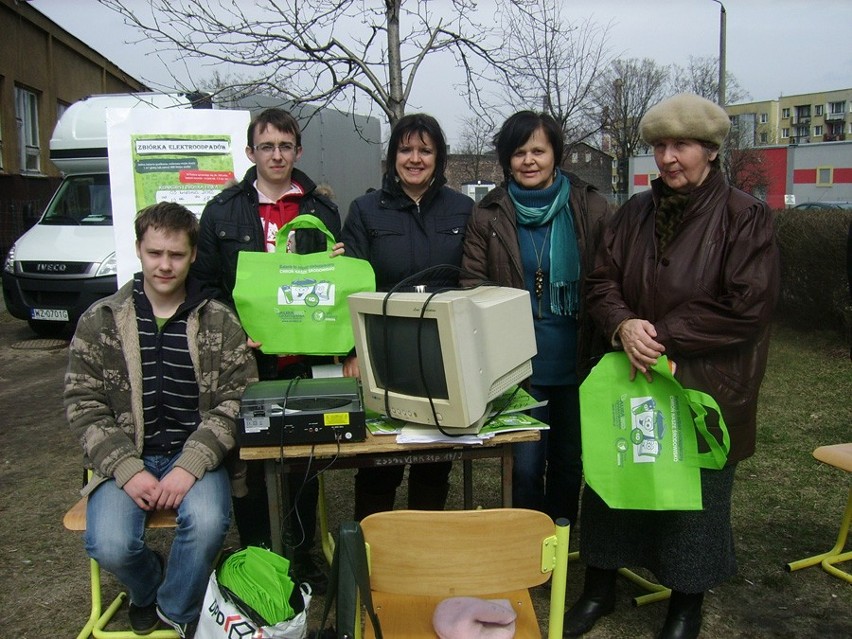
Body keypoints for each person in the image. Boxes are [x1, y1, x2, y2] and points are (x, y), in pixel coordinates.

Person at [564, 93, 780, 639]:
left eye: (680, 145)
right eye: (659, 146)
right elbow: (601, 281)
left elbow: (746, 305)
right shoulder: (634, 212)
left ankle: (686, 604)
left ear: (709, 151)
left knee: (695, 504)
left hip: (704, 385)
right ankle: (599, 587)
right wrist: (622, 324)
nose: (667, 158)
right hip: (632, 379)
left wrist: (659, 335)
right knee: (615, 486)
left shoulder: (744, 217)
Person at [64, 202, 257, 638]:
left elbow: (236, 400)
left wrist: (190, 466)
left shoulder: (220, 320)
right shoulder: (102, 321)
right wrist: (128, 471)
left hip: (197, 457)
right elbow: (83, 404)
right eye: (155, 253)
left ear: (192, 256)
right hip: (126, 459)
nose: (164, 265)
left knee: (208, 524)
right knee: (109, 545)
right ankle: (150, 581)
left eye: (175, 255)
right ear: (138, 250)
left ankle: (173, 609)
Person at [191, 107, 341, 594]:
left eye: (285, 145)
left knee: (304, 454)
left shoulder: (321, 209)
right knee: (250, 459)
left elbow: (333, 287)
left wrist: (334, 267)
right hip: (247, 360)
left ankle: (302, 554)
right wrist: (236, 333)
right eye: (267, 146)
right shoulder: (222, 211)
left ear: (297, 151)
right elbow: (206, 288)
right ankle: (258, 551)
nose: (276, 154)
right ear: (250, 152)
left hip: (306, 355)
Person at [460, 111, 609, 526]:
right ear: (507, 159)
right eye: (519, 152)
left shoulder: (591, 207)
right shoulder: (488, 214)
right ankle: (526, 541)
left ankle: (558, 543)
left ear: (555, 155)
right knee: (525, 466)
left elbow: (610, 277)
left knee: (568, 461)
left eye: (538, 151)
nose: (529, 160)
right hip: (519, 367)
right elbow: (472, 283)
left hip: (580, 363)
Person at [341, 113, 474, 519]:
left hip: (442, 358)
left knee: (434, 465)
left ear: (439, 158)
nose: (414, 158)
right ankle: (373, 558)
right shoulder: (365, 211)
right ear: (393, 155)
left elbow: (474, 282)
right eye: (405, 149)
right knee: (379, 466)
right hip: (383, 355)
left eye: (425, 150)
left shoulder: (463, 210)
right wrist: (352, 351)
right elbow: (351, 283)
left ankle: (424, 556)